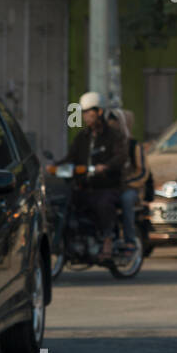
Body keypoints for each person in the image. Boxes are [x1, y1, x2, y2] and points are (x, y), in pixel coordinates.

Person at [55, 91, 128, 261]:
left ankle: (108, 240)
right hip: (84, 186)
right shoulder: (82, 137)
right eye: (84, 113)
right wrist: (54, 167)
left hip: (108, 186)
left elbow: (121, 156)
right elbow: (71, 157)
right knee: (65, 202)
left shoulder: (114, 135)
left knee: (103, 203)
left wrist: (106, 167)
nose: (86, 116)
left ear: (99, 112)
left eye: (89, 112)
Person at [109, 108, 153, 250]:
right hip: (111, 186)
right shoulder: (107, 144)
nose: (112, 126)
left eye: (115, 123)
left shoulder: (134, 145)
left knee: (126, 199)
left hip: (132, 189)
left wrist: (127, 183)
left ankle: (129, 240)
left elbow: (143, 172)